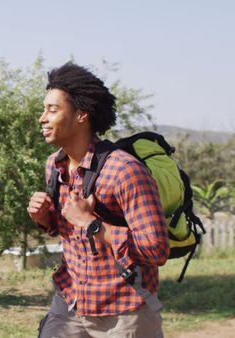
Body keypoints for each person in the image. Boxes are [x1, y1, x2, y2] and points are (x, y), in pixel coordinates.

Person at [27, 63, 169, 338]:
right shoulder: (54, 165)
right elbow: (68, 229)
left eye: (52, 110)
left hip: (125, 310)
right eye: (44, 109)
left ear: (81, 114)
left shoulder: (125, 171)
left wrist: (93, 225)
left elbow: (156, 249)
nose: (42, 118)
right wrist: (44, 218)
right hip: (72, 300)